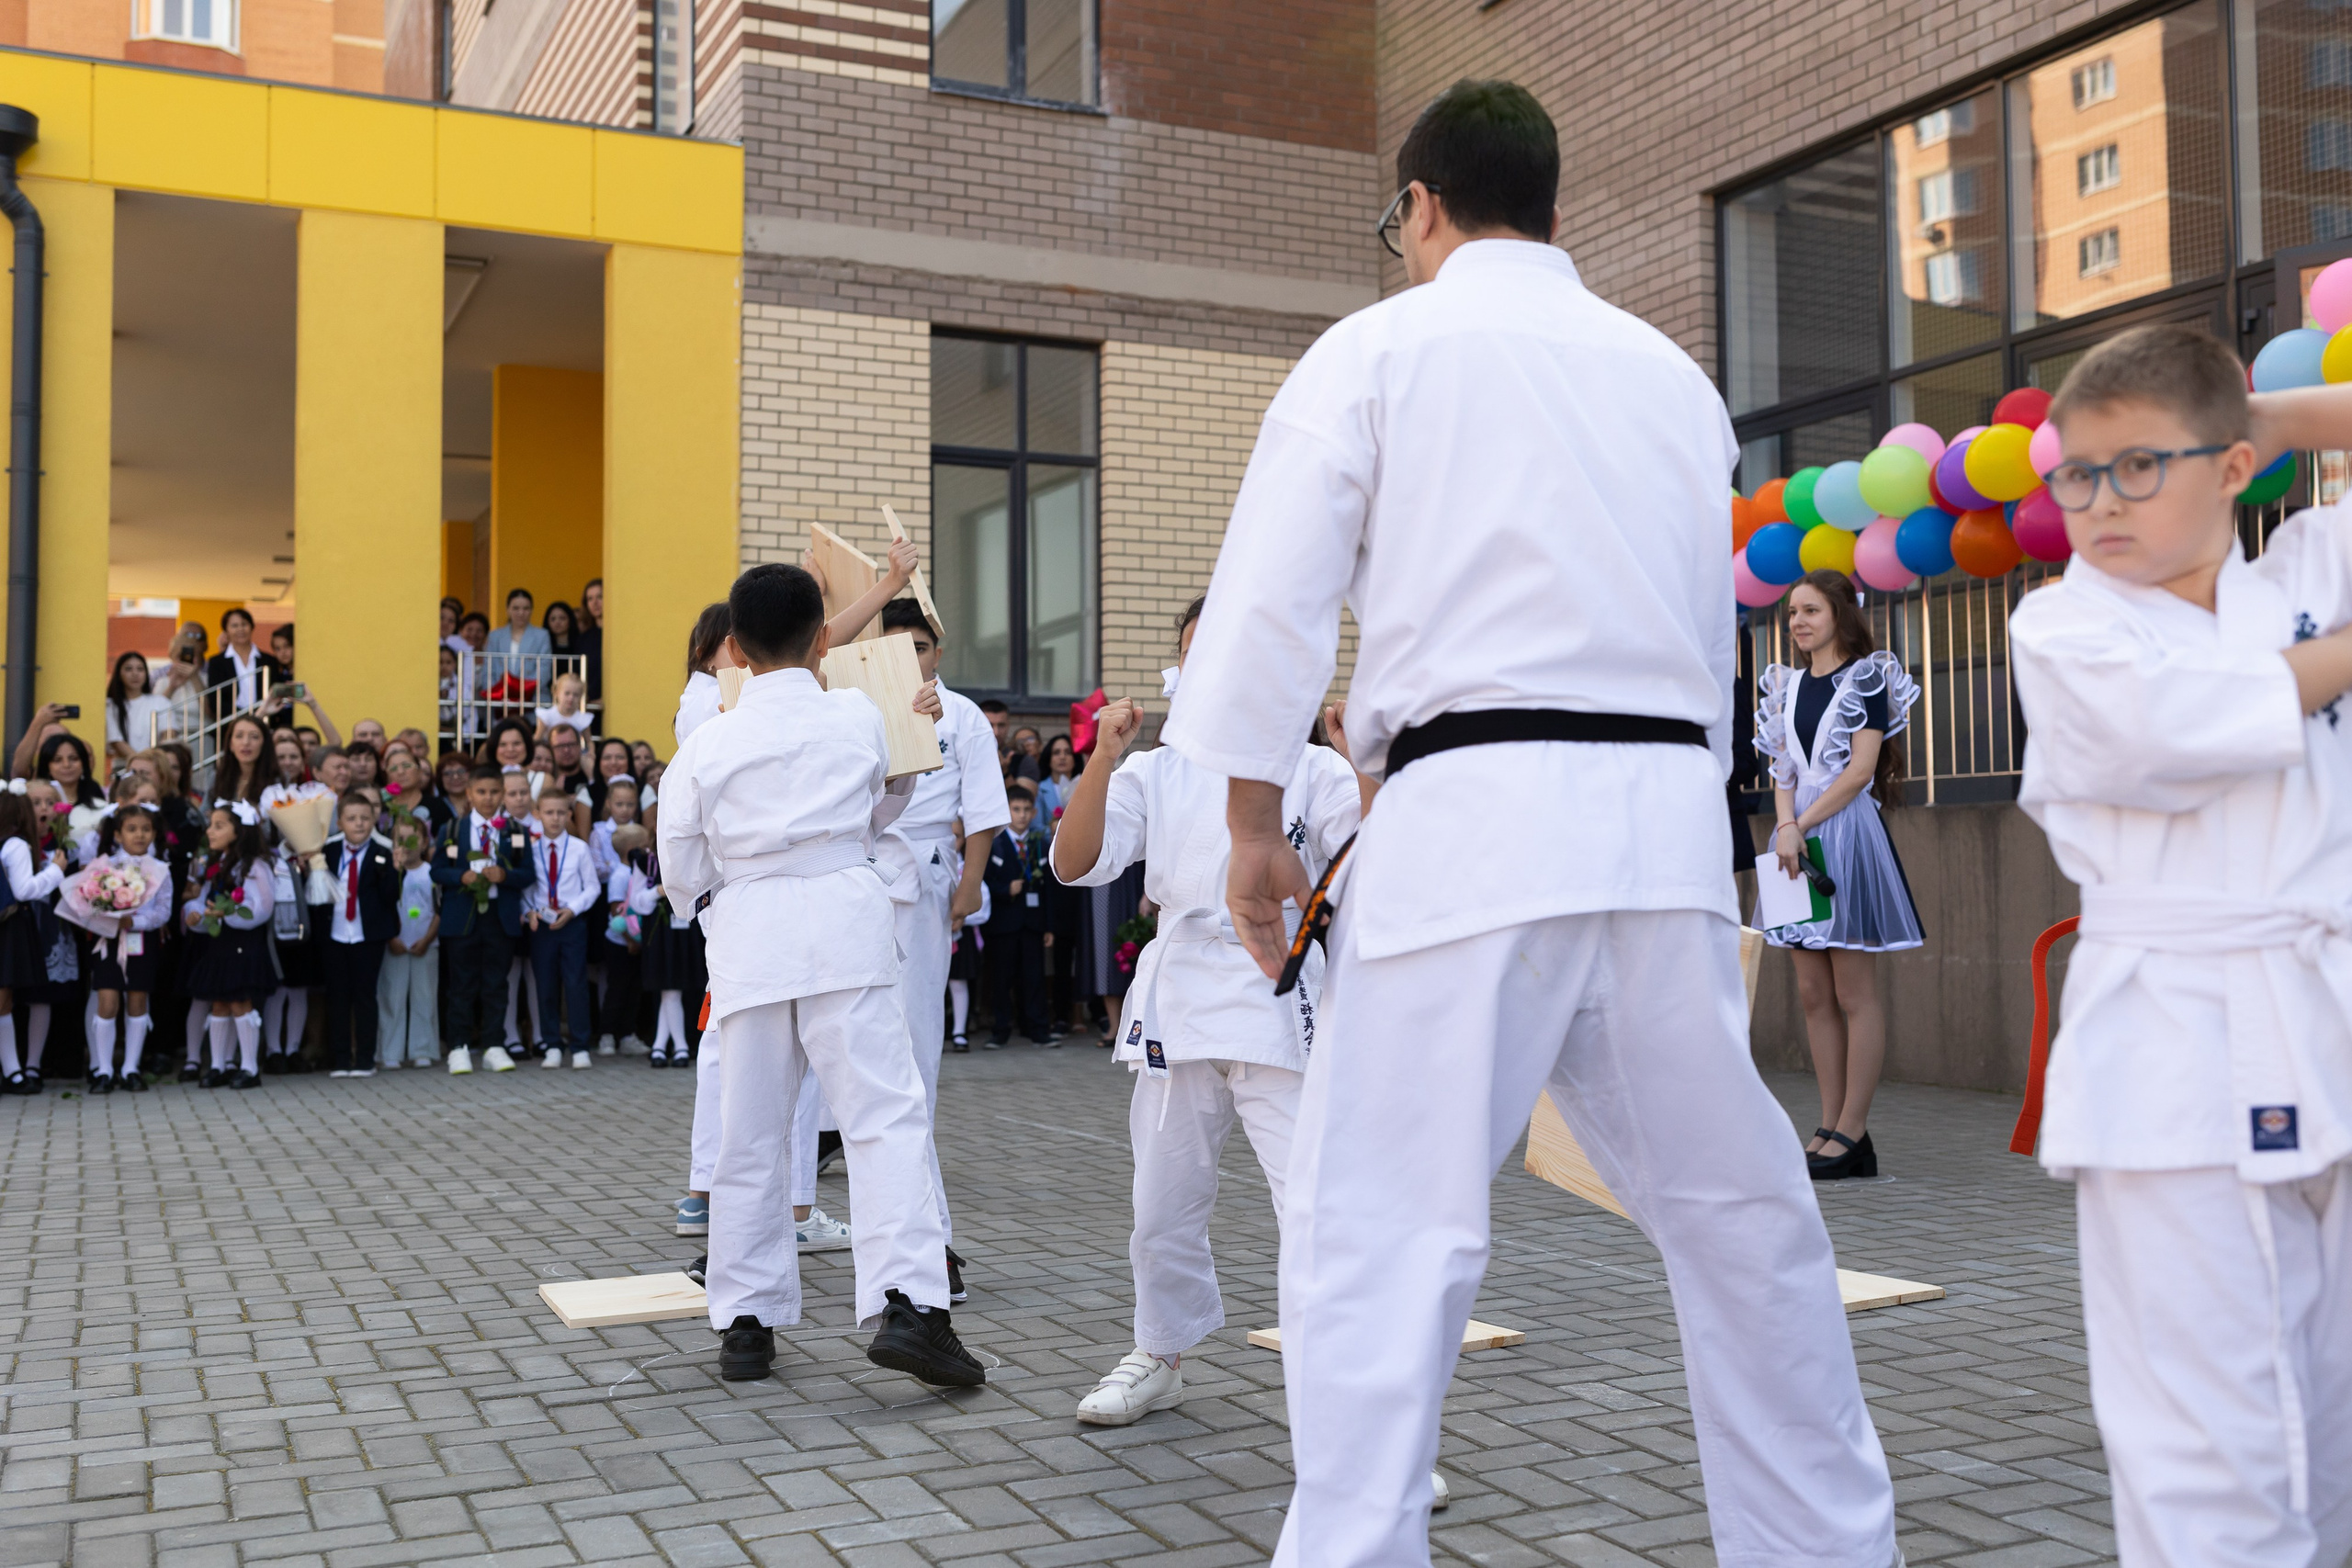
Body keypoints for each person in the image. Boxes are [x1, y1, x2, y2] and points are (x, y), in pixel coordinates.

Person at [1164, 82, 1895, 1565]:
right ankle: (1827, 1543)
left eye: (1398, 219)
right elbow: (1707, 635)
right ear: (1552, 210)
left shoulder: (1375, 350)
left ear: (1421, 205)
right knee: (1742, 1219)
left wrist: (1250, 820)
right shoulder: (1673, 381)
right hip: (1658, 824)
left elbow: (1268, 610)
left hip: (1473, 822)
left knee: (1385, 1233)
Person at [2009, 324, 2352, 1568]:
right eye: (2077, 472)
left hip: (2327, 1014)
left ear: (2237, 468)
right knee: (2202, 1432)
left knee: (2332, 1412)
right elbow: (2168, 733)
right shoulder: (2061, 627)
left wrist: (2269, 412)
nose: (2099, 501)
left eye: (2141, 464)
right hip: (2171, 1047)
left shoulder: (2311, 566)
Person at [656, 561, 984, 1388]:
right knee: (882, 1116)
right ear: (821, 637)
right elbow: (885, 808)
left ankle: (744, 1322)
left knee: (752, 1132)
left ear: (732, 646)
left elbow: (681, 873)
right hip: (845, 919)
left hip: (752, 934)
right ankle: (910, 1303)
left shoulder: (707, 742)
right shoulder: (855, 717)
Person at [1053, 596, 1368, 1430]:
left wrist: (1362, 761)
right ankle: (1159, 1349)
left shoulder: (1315, 768)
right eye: (1195, 653)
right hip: (1180, 994)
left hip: (1278, 990)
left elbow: (1380, 865)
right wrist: (1100, 760)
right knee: (1162, 1202)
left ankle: (1356, 1407)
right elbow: (1076, 861)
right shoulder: (1156, 771)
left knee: (1313, 1201)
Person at [1755, 570, 1925, 1179]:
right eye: (1793, 611)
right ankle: (1827, 1126)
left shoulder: (1868, 676)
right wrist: (1785, 825)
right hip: (1794, 842)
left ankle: (1854, 1131)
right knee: (1812, 993)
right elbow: (1782, 771)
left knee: (1854, 992)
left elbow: (1859, 771)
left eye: (1811, 610)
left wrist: (1801, 825)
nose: (1799, 621)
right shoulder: (1788, 685)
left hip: (1845, 837)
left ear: (1839, 615)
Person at [431, 761, 537, 1075]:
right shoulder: (451, 830)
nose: (488, 798)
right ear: (469, 793)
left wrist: (505, 874)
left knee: (496, 983)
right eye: (481, 792)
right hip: (461, 918)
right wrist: (459, 876)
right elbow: (436, 870)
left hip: (499, 917)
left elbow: (528, 873)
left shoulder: (515, 832)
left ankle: (494, 1045)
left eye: (494, 792)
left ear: (503, 794)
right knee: (461, 984)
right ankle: (459, 1047)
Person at [71, 802, 174, 1092]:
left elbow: (164, 911)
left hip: (140, 941)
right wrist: (107, 918)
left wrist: (135, 921)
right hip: (108, 942)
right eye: (131, 829)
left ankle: (131, 1068)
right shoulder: (104, 867)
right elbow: (86, 905)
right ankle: (103, 1069)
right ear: (117, 835)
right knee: (107, 1002)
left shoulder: (160, 870)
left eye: (146, 829)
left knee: (138, 1001)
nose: (139, 835)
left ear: (154, 834)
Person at [183, 800, 277, 1089]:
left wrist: (229, 913)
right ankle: (218, 1064)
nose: (211, 831)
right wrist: (196, 915)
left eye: (219, 825)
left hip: (243, 942)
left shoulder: (254, 867)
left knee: (240, 1001)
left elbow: (261, 906)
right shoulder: (216, 865)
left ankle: (249, 1066)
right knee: (219, 1002)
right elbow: (204, 898)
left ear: (239, 832)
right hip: (220, 943)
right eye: (211, 825)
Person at [318, 792, 399, 1077]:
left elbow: (390, 897)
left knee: (365, 995)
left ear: (375, 820)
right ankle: (341, 1059)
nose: (359, 824)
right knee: (338, 996)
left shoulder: (382, 853)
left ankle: (365, 1059)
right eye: (352, 818)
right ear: (339, 822)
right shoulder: (327, 852)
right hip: (335, 933)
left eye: (365, 818)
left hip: (367, 934)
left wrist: (393, 871)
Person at [525, 784, 599, 1069]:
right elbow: (528, 891)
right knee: (545, 985)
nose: (554, 818)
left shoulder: (579, 849)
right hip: (542, 926)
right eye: (548, 813)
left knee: (576, 983)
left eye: (560, 812)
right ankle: (552, 1044)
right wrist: (529, 912)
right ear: (537, 814)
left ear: (569, 814)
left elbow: (591, 888)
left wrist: (572, 909)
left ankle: (580, 1046)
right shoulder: (531, 851)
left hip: (572, 923)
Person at [0, 788, 68, 1094]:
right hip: (8, 928)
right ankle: (13, 1072)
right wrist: (56, 870)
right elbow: (25, 890)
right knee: (3, 1001)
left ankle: (12, 1070)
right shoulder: (16, 844)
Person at [979, 784, 1052, 1046]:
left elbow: (1049, 891)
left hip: (1032, 924)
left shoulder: (1040, 844)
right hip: (1002, 924)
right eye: (1016, 809)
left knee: (1034, 978)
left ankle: (1037, 1029)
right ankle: (1000, 1031)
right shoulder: (994, 845)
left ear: (1034, 813)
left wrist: (1048, 927)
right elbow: (982, 881)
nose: (1021, 815)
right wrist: (1004, 889)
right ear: (1007, 812)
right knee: (1002, 978)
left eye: (1026, 810)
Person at [377, 825, 439, 1069]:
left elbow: (439, 910)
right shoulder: (387, 873)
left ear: (425, 843)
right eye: (400, 839)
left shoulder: (432, 873)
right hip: (395, 943)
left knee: (424, 996)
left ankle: (422, 1049)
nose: (407, 844)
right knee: (392, 996)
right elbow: (381, 907)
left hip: (427, 943)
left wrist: (427, 939)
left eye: (413, 839)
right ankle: (389, 1051)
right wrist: (391, 938)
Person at [204, 607, 288, 728]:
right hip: (230, 724)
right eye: (234, 625)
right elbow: (215, 699)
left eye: (244, 624)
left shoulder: (269, 660)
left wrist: (260, 714)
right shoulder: (217, 662)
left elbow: (274, 692)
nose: (240, 629)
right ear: (226, 631)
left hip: (265, 722)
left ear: (252, 627)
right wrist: (241, 718)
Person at [485, 587, 554, 702]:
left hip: (533, 699)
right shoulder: (495, 636)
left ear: (532, 610)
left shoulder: (542, 635)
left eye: (526, 608)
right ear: (508, 610)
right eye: (515, 608)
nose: (521, 613)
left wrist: (520, 691)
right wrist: (498, 693)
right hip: (501, 700)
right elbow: (488, 671)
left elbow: (544, 671)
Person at [106, 651, 175, 763]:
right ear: (119, 674)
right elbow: (117, 742)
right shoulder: (110, 705)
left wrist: (155, 761)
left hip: (156, 766)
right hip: (124, 767)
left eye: (140, 669)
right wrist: (142, 763)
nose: (135, 674)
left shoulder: (161, 702)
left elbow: (168, 735)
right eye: (128, 669)